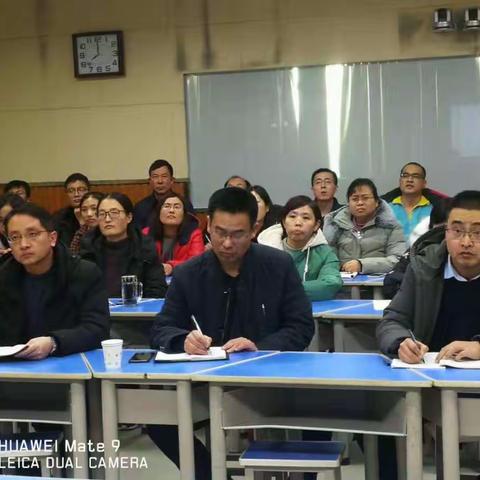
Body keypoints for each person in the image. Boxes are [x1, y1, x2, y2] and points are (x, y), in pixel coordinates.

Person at [148, 187, 314, 480]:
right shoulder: (189, 273)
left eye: (237, 234)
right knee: (156, 419)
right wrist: (182, 340)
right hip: (205, 385)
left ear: (255, 229)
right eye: (219, 232)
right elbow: (161, 328)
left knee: (320, 413)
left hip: (267, 382)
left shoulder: (278, 266)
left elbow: (301, 327)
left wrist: (259, 346)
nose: (226, 243)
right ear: (208, 224)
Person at [377, 190, 480, 363]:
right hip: (430, 376)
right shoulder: (423, 267)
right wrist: (401, 342)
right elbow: (392, 321)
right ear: (445, 232)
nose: (466, 242)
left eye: (477, 233)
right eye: (457, 231)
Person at [0, 203, 109, 357]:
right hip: (12, 368)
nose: (23, 244)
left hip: (71, 365)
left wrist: (54, 342)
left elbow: (97, 329)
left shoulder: (84, 273)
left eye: (32, 234)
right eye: (15, 237)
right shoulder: (4, 276)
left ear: (52, 238)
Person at [80, 192, 167, 299]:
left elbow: (156, 290)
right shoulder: (88, 246)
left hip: (136, 312)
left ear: (129, 217)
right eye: (102, 214)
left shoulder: (144, 247)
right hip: (97, 311)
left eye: (114, 213)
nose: (107, 219)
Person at [258, 195, 342, 301]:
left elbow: (331, 284)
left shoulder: (326, 253)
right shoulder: (265, 251)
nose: (298, 223)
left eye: (306, 218)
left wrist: (285, 290)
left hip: (313, 315)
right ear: (284, 222)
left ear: (316, 225)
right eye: (292, 217)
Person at [323, 178, 405, 274]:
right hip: (343, 285)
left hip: (379, 286)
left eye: (365, 198)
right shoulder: (335, 225)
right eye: (355, 199)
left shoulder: (391, 226)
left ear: (376, 202)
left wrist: (362, 265)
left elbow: (398, 260)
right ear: (348, 203)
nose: (360, 203)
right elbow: (328, 262)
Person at [382, 200, 448, 299]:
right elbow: (391, 280)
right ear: (431, 227)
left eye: (455, 230)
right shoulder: (417, 249)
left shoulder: (466, 251)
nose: (445, 237)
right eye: (440, 231)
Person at [142, 193, 204, 276]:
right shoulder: (146, 233)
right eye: (167, 206)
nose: (171, 211)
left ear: (184, 214)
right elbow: (140, 262)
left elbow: (197, 263)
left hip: (184, 281)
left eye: (177, 207)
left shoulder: (194, 234)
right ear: (159, 212)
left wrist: (172, 267)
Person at [134, 159, 194, 229]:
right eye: (155, 176)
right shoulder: (140, 207)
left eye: (164, 176)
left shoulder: (184, 204)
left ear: (172, 180)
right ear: (150, 181)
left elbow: (192, 231)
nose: (160, 181)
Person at [384, 162, 433, 245]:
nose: (409, 180)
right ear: (400, 181)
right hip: (393, 256)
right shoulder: (386, 209)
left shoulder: (433, 210)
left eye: (416, 176)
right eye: (405, 176)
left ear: (424, 183)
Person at [53, 173, 90, 247]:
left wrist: (83, 224)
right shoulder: (59, 217)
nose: (76, 194)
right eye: (71, 191)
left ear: (88, 191)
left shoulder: (98, 212)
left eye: (81, 190)